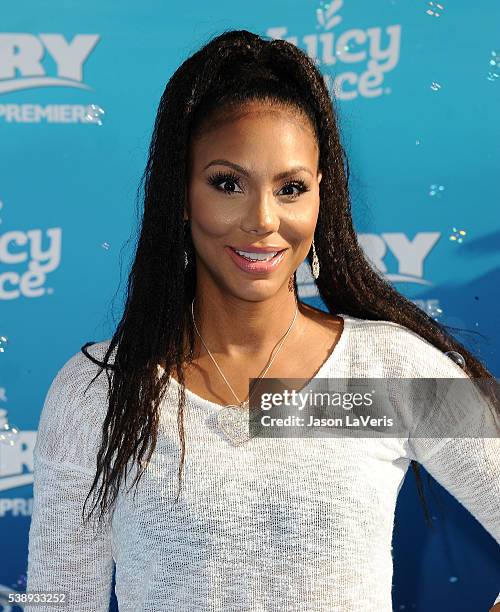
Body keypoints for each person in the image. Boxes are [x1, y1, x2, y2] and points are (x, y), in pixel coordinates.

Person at [25, 29, 500, 611]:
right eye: (228, 183)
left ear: (320, 197)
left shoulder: (386, 372)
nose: (262, 219)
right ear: (180, 193)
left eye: (291, 187)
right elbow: (55, 598)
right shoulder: (96, 391)